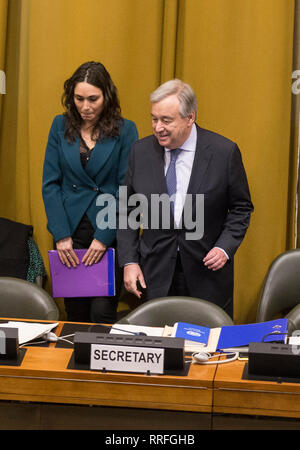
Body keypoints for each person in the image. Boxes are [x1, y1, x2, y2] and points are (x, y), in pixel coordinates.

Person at [117, 79, 253, 318]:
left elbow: (241, 208)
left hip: (207, 273)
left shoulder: (224, 152)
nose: (158, 127)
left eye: (166, 120)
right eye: (154, 119)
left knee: (206, 351)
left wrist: (224, 247)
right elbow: (127, 210)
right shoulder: (140, 151)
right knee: (159, 349)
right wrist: (129, 261)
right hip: (155, 273)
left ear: (190, 118)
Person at [42, 61, 138, 323]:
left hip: (107, 231)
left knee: (102, 312)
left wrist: (104, 238)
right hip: (69, 233)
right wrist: (61, 235)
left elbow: (126, 190)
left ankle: (101, 365)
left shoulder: (126, 130)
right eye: (79, 98)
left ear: (106, 96)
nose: (85, 107)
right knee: (75, 313)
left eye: (93, 99)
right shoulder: (59, 125)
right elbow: (50, 184)